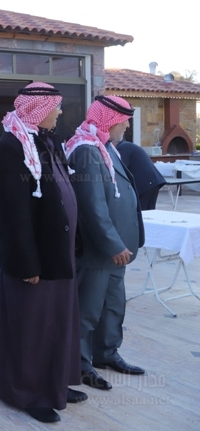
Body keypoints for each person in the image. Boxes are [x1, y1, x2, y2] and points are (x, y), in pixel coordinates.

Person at [0, 83, 84, 424]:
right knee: (32, 325)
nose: (60, 112)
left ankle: (54, 383)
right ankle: (25, 391)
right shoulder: (10, 149)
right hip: (34, 258)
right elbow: (12, 215)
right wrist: (26, 263)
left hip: (57, 251)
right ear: (38, 109)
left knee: (59, 320)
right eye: (55, 106)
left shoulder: (48, 141)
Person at [66, 95, 145, 390]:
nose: (126, 126)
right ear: (110, 121)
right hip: (99, 250)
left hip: (116, 250)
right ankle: (80, 365)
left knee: (113, 306)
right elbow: (92, 207)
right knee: (88, 312)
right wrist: (112, 244)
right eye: (124, 120)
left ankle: (106, 353)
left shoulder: (105, 146)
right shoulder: (86, 150)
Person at [115, 140, 166, 210]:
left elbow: (120, 169)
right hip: (152, 181)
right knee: (149, 210)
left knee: (143, 211)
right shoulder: (127, 146)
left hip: (146, 183)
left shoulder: (122, 148)